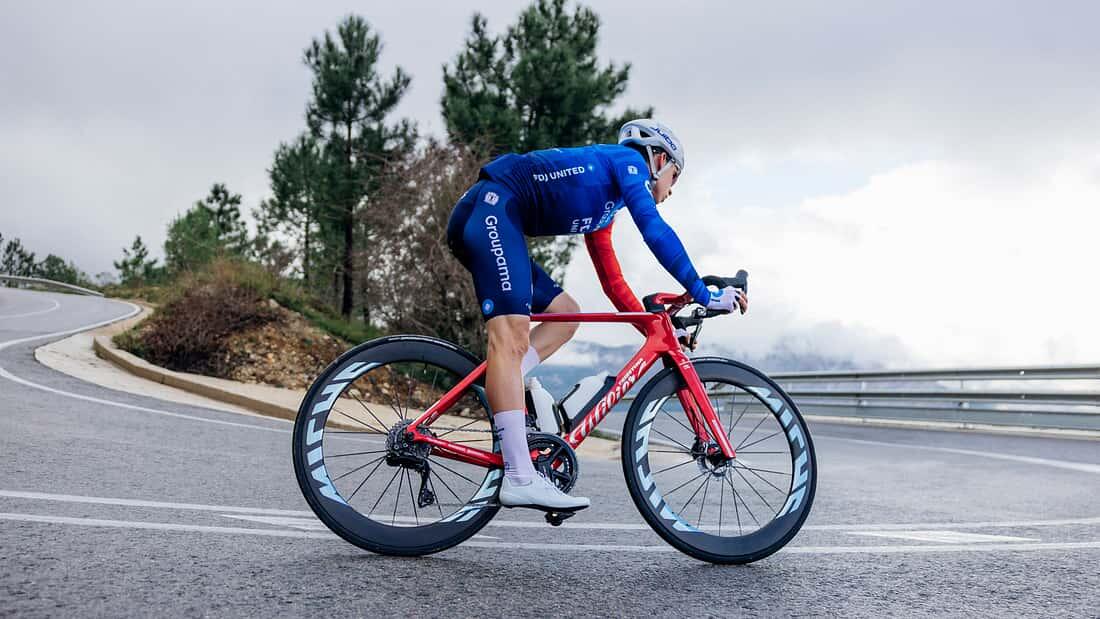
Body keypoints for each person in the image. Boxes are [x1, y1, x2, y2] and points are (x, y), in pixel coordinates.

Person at [445, 119, 747, 512]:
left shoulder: (606, 207)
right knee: (511, 338)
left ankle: (506, 385)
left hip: (494, 212)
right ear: (659, 159)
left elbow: (614, 284)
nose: (672, 189)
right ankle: (520, 477)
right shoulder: (627, 162)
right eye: (675, 176)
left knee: (567, 314)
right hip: (492, 208)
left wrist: (654, 329)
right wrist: (706, 295)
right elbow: (655, 231)